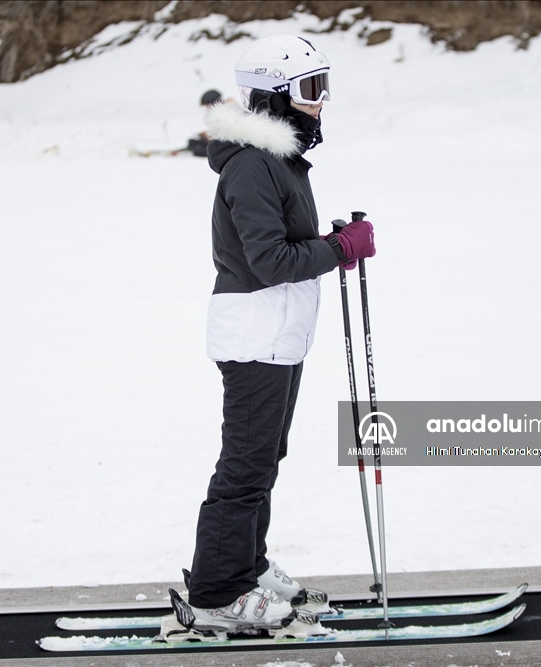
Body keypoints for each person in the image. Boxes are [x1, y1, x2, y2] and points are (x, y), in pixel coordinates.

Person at [182, 34, 376, 634]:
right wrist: (337, 248)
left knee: (264, 457)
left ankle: (247, 567)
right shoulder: (251, 165)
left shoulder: (277, 160)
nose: (320, 101)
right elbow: (269, 261)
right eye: (310, 88)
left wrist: (332, 247)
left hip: (277, 333)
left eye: (323, 86)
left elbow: (285, 249)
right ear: (274, 96)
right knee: (245, 466)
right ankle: (217, 593)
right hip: (254, 333)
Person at [186, 90, 226, 157]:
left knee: (196, 148)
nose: (207, 108)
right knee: (193, 142)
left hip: (224, 147)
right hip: (217, 143)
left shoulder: (224, 113)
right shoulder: (220, 112)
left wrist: (210, 138)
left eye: (207, 105)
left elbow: (226, 136)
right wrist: (207, 134)